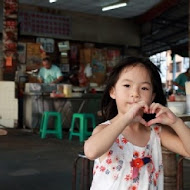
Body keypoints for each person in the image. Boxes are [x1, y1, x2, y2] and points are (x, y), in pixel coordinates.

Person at [84, 57, 190, 190]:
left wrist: (176, 122)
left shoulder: (155, 132)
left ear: (152, 97)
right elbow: (91, 152)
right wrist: (126, 117)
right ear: (113, 92)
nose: (135, 94)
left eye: (144, 88)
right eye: (127, 85)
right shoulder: (105, 130)